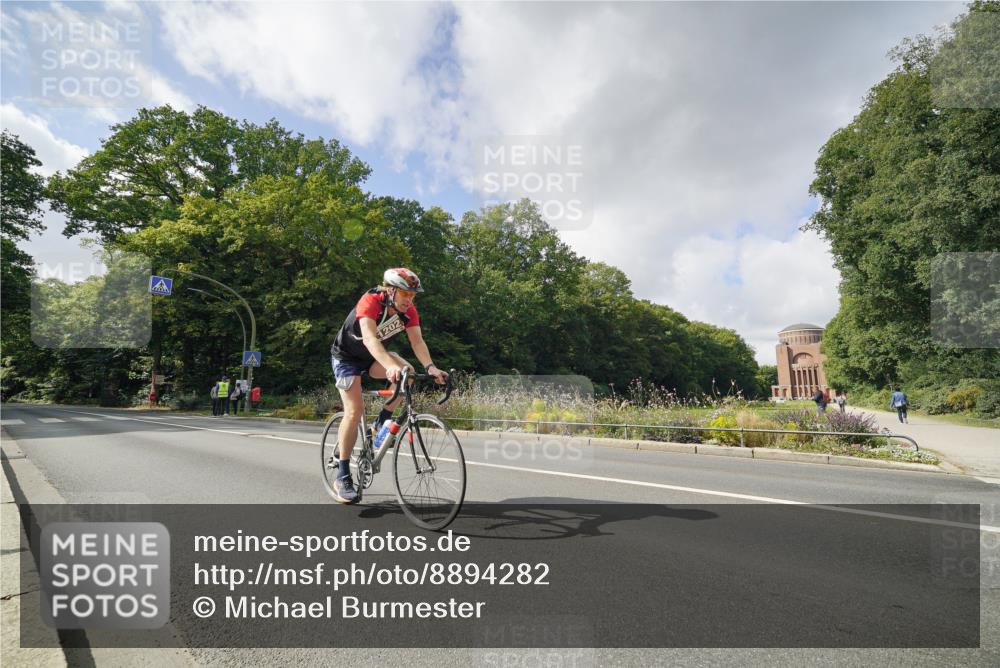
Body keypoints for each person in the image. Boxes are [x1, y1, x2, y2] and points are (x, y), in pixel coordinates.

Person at [328, 268, 448, 504]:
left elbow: (417, 341)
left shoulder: (408, 311)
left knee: (409, 374)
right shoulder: (370, 300)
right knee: (354, 411)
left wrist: (431, 367)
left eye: (413, 296)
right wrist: (389, 365)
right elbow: (371, 339)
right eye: (406, 294)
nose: (410, 300)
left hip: (374, 359)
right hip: (346, 358)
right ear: (390, 290)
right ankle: (342, 474)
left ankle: (380, 422)